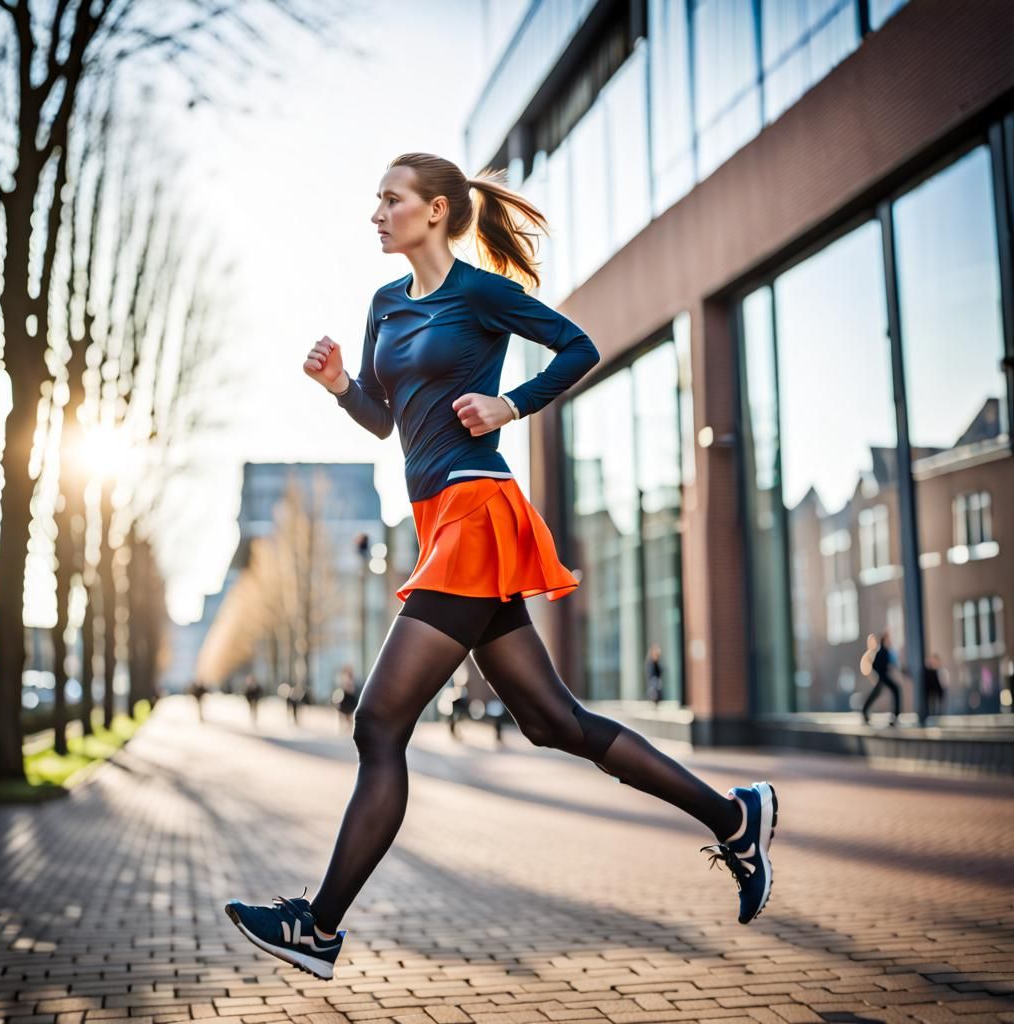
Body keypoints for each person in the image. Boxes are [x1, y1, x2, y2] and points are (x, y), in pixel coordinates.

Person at [224, 153, 778, 981]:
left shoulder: (479, 293)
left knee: (378, 725)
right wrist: (343, 384)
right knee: (553, 723)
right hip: (438, 522)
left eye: (391, 198)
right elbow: (385, 422)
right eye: (376, 198)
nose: (376, 212)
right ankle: (733, 815)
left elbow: (577, 346)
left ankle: (319, 926)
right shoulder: (384, 303)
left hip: (478, 513)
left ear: (437, 210)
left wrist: (510, 403)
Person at [861, 629, 901, 725]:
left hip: (883, 677)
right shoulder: (882, 651)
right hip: (883, 677)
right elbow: (875, 665)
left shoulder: (886, 650)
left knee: (876, 693)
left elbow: (893, 663)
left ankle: (864, 710)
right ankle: (895, 715)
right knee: (895, 689)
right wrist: (882, 671)